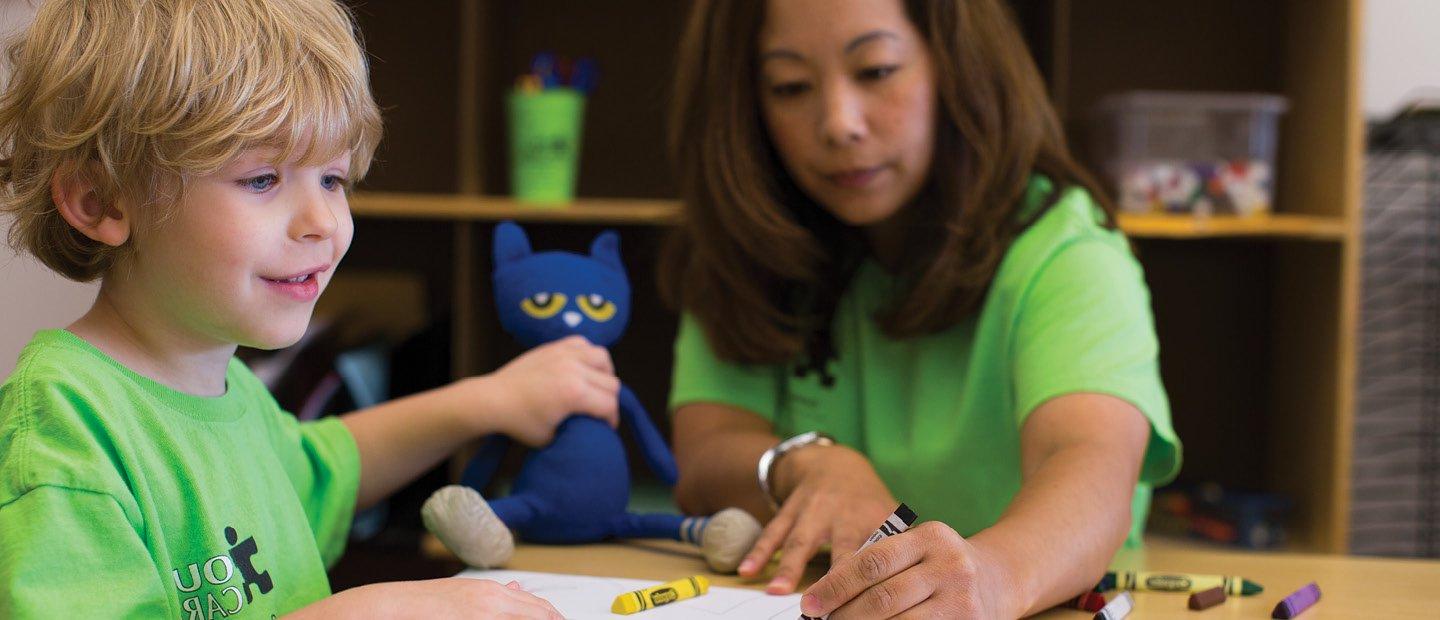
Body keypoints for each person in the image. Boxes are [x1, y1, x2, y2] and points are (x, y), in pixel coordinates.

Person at [0, 1, 619, 617]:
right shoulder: (64, 426)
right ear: (101, 201)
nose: (323, 222)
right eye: (263, 179)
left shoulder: (224, 385)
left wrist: (494, 400)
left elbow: (324, 475)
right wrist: (376, 612)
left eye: (333, 180)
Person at [661, 0, 1182, 617]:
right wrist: (803, 463)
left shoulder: (1065, 250)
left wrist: (992, 577)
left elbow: (1091, 469)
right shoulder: (748, 246)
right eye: (790, 86)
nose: (839, 123)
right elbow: (703, 455)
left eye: (877, 70)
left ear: (958, 68)